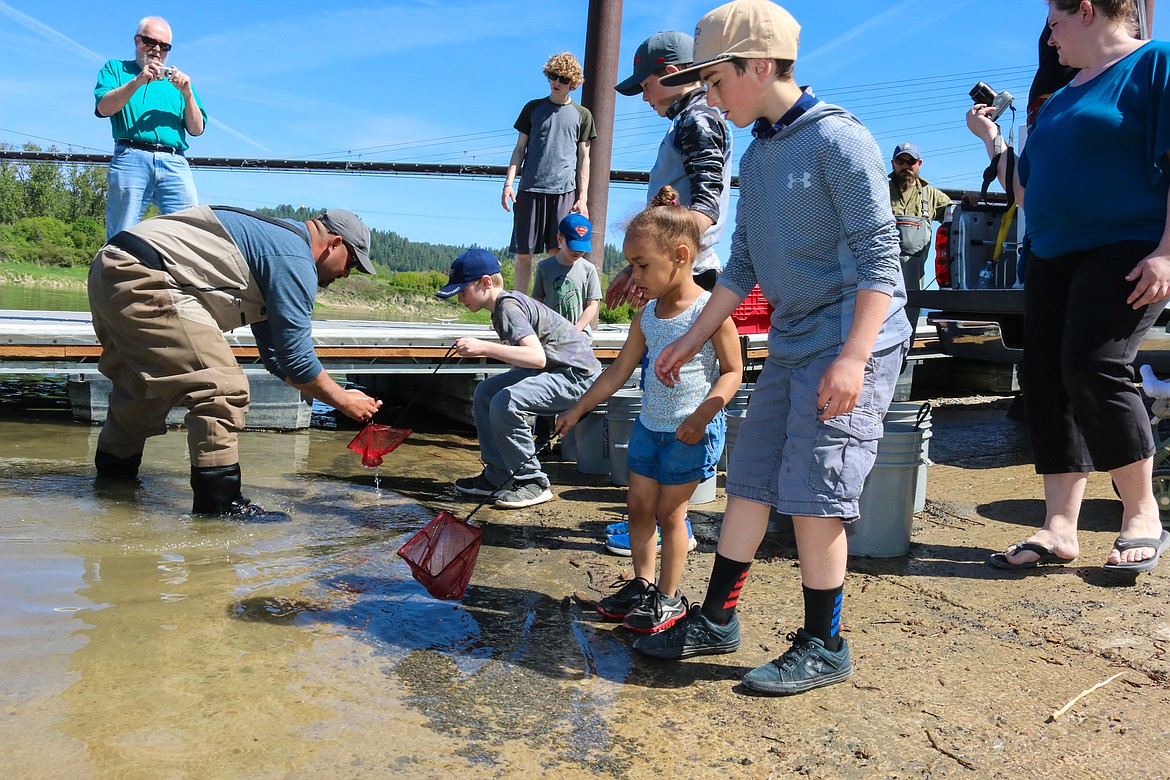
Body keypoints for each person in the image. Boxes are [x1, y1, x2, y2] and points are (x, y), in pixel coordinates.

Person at [633, 0, 912, 696]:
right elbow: (742, 266)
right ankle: (718, 618)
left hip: (853, 334)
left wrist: (853, 357)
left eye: (717, 80)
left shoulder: (839, 141)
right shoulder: (757, 156)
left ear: (759, 67)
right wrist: (689, 341)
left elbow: (881, 257)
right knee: (751, 475)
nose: (710, 95)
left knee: (817, 490)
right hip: (793, 335)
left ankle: (825, 643)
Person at [968, 0, 1170, 573]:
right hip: (1052, 253)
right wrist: (991, 141)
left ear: (1087, 12)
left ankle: (1141, 515)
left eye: (1054, 26)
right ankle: (1059, 528)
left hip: (1125, 246)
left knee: (1093, 365)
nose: (1049, 41)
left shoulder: (1155, 62)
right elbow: (1027, 193)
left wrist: (1168, 251)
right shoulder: (1059, 99)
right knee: (1042, 377)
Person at [89, 206, 383, 516]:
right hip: (148, 274)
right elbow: (297, 359)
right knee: (222, 390)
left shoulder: (275, 244)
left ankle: (112, 489)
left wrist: (340, 395)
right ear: (335, 243)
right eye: (351, 263)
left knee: (141, 393)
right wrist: (342, 401)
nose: (347, 273)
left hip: (111, 268)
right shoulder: (295, 259)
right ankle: (220, 509)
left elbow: (277, 358)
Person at [557, 187, 743, 634]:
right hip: (648, 426)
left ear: (681, 256)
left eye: (641, 265)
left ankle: (669, 598)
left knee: (670, 515)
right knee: (638, 508)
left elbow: (733, 373)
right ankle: (642, 586)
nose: (634, 276)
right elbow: (619, 371)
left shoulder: (711, 312)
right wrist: (579, 407)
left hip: (690, 431)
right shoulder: (647, 316)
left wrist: (703, 416)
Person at [439, 249, 601, 509]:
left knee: (506, 401)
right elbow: (534, 358)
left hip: (577, 376)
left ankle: (534, 482)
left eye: (462, 291)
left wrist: (483, 347)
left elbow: (535, 358)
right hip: (555, 370)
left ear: (486, 282)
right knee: (485, 392)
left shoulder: (508, 307)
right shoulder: (504, 306)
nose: (460, 299)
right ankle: (498, 475)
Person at [606, 31, 733, 306]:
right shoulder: (687, 120)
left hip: (686, 273)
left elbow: (705, 206)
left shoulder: (697, 120)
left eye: (646, 85)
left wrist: (652, 260)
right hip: (676, 267)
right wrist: (638, 266)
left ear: (672, 73)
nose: (644, 97)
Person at [95, 17, 206, 240]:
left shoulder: (179, 83)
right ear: (137, 40)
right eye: (150, 41)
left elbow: (197, 129)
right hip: (130, 156)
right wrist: (138, 81)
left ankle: (178, 275)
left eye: (164, 46)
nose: (156, 49)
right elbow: (103, 108)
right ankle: (114, 273)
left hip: (175, 160)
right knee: (121, 233)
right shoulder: (115, 69)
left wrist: (187, 93)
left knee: (189, 233)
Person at [502, 53, 597, 295]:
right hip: (529, 188)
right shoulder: (532, 108)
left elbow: (585, 158)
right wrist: (508, 184)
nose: (557, 82)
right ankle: (521, 308)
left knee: (558, 253)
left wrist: (582, 198)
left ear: (573, 82)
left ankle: (551, 310)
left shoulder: (582, 115)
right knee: (524, 254)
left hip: (564, 191)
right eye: (553, 76)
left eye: (563, 79)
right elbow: (519, 148)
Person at [888, 142, 951, 330]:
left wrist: (968, 200)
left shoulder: (931, 195)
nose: (906, 165)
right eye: (901, 161)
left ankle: (904, 358)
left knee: (910, 317)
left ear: (919, 164)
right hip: (882, 269)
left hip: (914, 274)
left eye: (911, 161)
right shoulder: (879, 191)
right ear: (893, 163)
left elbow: (954, 214)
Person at [531, 213, 603, 340]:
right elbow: (538, 302)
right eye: (573, 246)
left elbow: (593, 304)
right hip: (550, 335)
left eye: (582, 248)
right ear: (559, 239)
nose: (577, 252)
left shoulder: (589, 269)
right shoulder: (544, 267)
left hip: (580, 337)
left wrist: (575, 330)